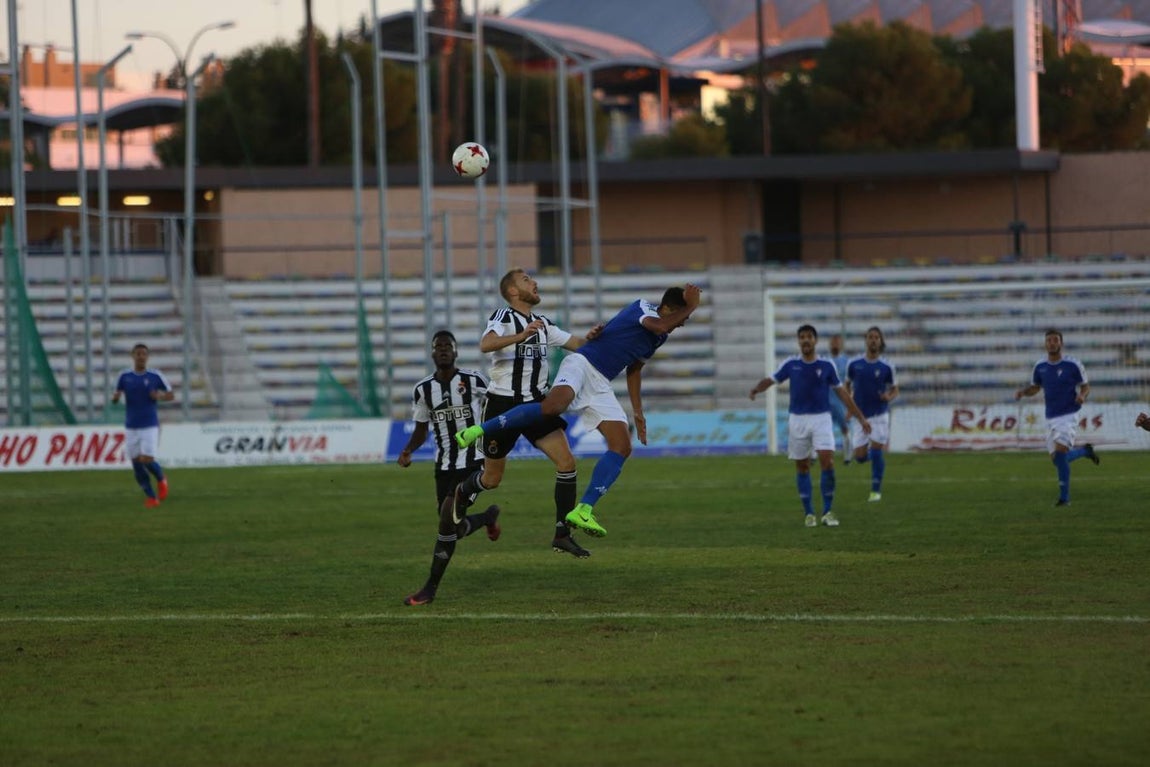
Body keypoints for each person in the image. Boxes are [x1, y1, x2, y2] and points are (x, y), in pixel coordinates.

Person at [455, 284, 702, 538]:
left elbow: (635, 368)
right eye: (684, 316)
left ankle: (583, 510)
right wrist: (692, 304)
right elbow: (658, 324)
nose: (683, 323)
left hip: (601, 383)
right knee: (552, 407)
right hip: (582, 363)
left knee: (622, 446)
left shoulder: (661, 336)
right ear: (670, 308)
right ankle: (479, 430)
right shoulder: (643, 307)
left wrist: (637, 413)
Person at [443, 268, 604, 559]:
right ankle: (464, 491)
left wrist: (591, 338)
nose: (535, 282)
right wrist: (520, 335)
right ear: (514, 292)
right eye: (527, 280)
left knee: (567, 463)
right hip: (503, 404)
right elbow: (485, 344)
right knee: (492, 480)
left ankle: (562, 535)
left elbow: (576, 344)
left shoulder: (543, 323)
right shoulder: (504, 317)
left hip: (537, 405)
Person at [399, 330, 501, 607]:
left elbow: (498, 404)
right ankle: (489, 516)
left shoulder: (473, 381)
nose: (443, 349)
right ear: (433, 354)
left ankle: (429, 589)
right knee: (453, 529)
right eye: (438, 346)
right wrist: (409, 449)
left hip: (472, 464)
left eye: (448, 346)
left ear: (456, 352)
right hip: (443, 467)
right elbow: (421, 429)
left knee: (447, 520)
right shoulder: (423, 390)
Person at [749, 324, 871, 527]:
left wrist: (861, 418)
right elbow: (771, 380)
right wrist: (755, 389)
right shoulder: (791, 364)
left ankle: (828, 511)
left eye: (809, 337)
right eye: (802, 337)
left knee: (828, 462)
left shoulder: (826, 365)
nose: (805, 340)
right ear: (799, 341)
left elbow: (842, 394)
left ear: (815, 340)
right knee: (802, 465)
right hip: (797, 420)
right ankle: (809, 514)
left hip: (821, 419)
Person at [1014, 329, 1099, 507]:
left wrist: (1082, 396)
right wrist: (1023, 392)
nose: (1052, 343)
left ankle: (1064, 499)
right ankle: (1085, 451)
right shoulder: (1040, 367)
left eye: (1055, 340)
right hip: (1050, 416)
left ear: (1061, 343)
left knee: (1060, 454)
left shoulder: (1073, 365)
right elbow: (1035, 387)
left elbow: (1085, 386)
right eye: (1049, 340)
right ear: (1045, 344)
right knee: (1057, 459)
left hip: (1069, 414)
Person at [111, 343, 174, 508]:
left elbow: (170, 394)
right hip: (131, 426)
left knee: (146, 459)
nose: (141, 356)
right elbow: (115, 395)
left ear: (147, 357)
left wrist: (159, 396)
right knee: (136, 463)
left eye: (144, 354)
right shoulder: (124, 376)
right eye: (138, 354)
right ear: (133, 356)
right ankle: (151, 497)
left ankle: (161, 479)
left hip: (149, 425)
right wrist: (116, 398)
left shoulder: (155, 376)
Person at [844, 326, 900, 502]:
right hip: (860, 417)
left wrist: (888, 397)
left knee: (876, 451)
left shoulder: (887, 366)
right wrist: (849, 407)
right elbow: (846, 387)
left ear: (881, 341)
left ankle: (875, 491)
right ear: (865, 340)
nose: (873, 340)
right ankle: (873, 456)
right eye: (870, 337)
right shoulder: (853, 364)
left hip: (879, 415)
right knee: (860, 457)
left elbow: (895, 389)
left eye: (876, 337)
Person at [827, 333, 852, 464]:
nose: (835, 344)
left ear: (841, 345)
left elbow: (849, 384)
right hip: (825, 402)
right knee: (824, 430)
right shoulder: (824, 361)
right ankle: (818, 455)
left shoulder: (847, 362)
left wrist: (850, 405)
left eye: (837, 342)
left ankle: (847, 457)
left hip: (840, 402)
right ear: (829, 345)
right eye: (833, 342)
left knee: (845, 428)